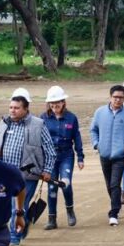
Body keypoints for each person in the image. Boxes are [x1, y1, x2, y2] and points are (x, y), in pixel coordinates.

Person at [0, 88, 55, 246]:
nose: (12, 110)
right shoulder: (4, 123)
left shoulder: (38, 124)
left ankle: (14, 237)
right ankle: (24, 222)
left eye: (16, 108)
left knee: (18, 206)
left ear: (26, 109)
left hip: (28, 174)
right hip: (4, 173)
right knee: (6, 205)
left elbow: (49, 150)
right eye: (10, 107)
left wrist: (47, 170)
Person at [89, 85, 124, 228]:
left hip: (120, 155)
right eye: (115, 97)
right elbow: (93, 130)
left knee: (115, 184)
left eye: (121, 97)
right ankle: (116, 203)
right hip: (104, 154)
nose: (118, 100)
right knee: (109, 184)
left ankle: (114, 213)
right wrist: (96, 144)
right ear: (110, 97)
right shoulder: (100, 112)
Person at [40, 86, 83, 230]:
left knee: (65, 184)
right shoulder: (43, 118)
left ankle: (70, 210)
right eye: (52, 102)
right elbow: (39, 139)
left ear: (63, 102)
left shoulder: (71, 118)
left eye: (57, 102)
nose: (54, 105)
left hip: (66, 155)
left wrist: (80, 157)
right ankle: (52, 219)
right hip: (50, 158)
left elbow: (77, 137)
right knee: (52, 187)